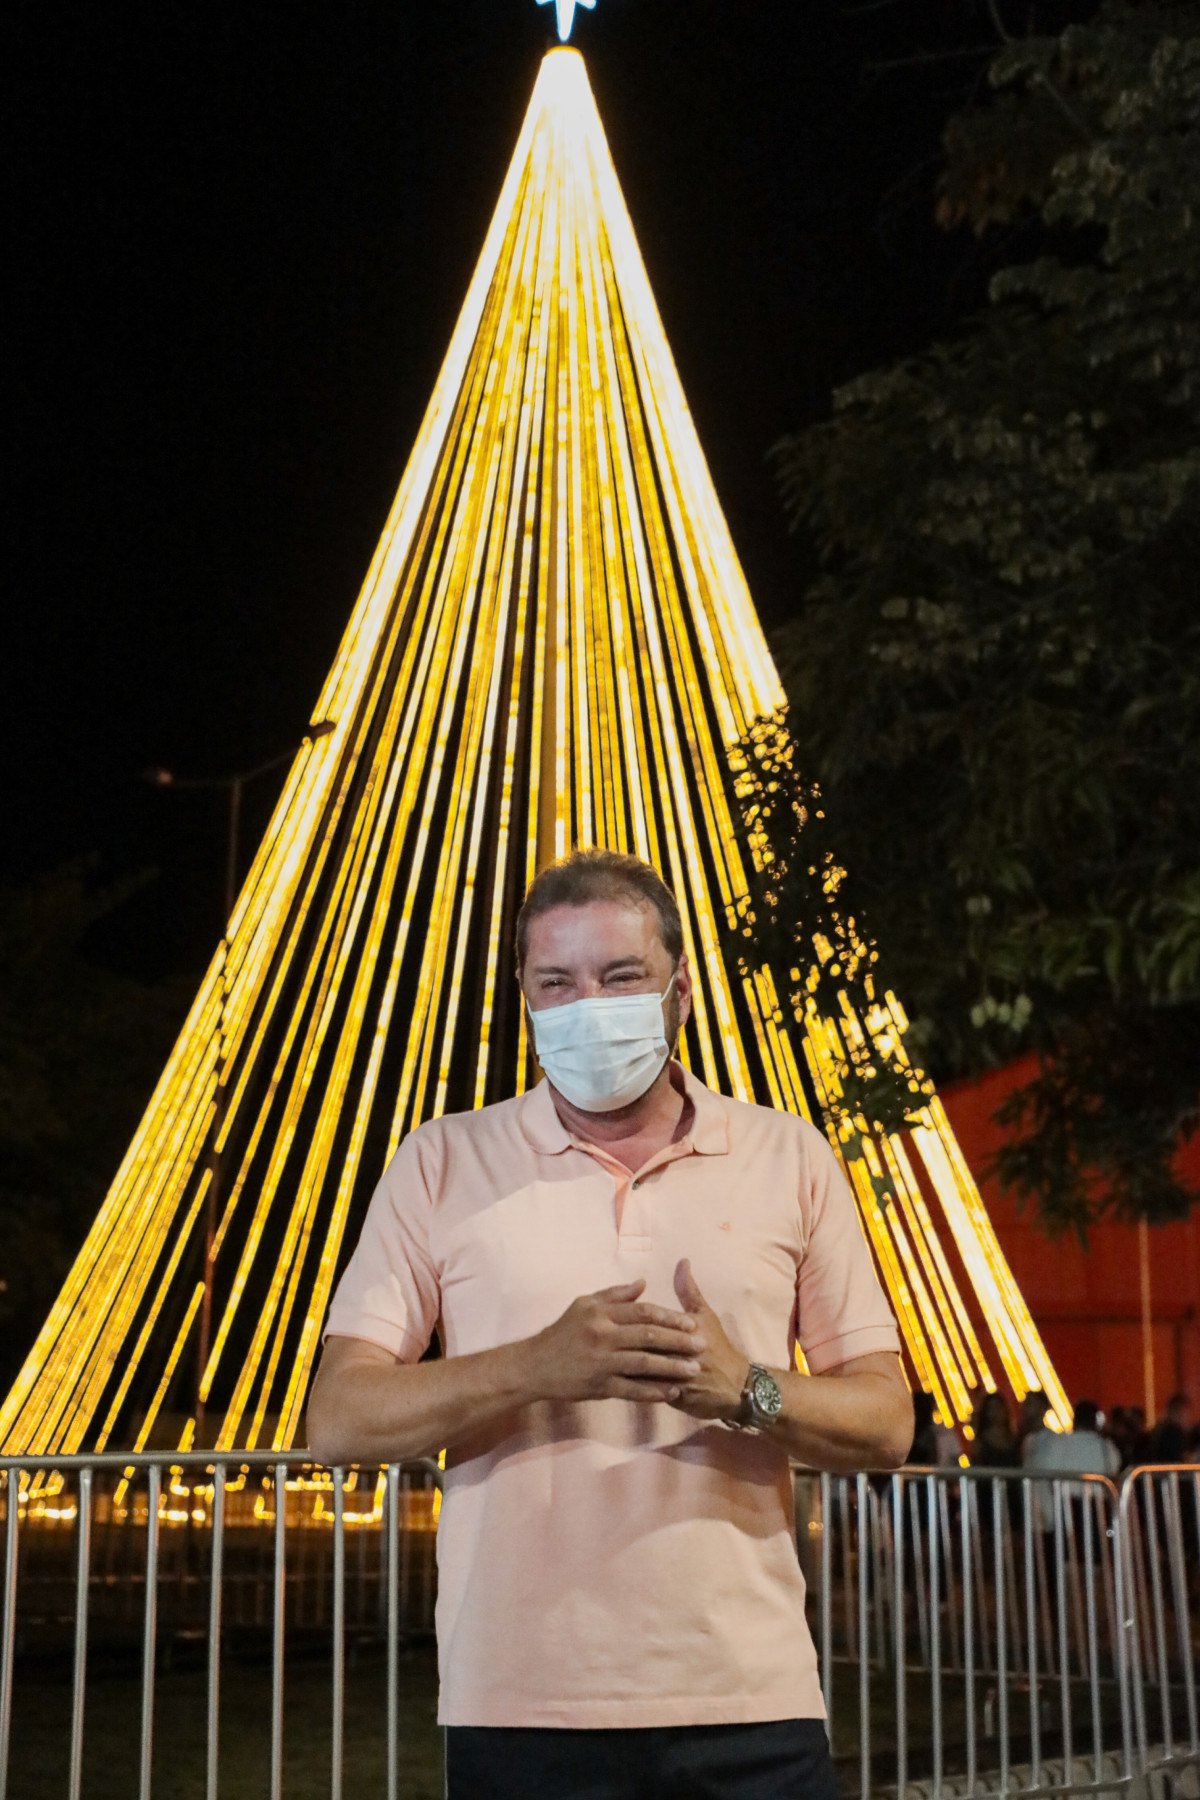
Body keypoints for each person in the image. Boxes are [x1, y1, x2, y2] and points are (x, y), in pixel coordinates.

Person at [307, 849, 913, 1800]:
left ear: (680, 992)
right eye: (557, 983)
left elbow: (886, 1422)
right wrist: (534, 1367)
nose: (587, 1007)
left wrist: (747, 1390)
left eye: (620, 976)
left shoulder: (787, 1157)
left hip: (749, 1698)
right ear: (526, 999)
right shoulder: (442, 1162)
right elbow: (339, 1419)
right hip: (521, 1706)